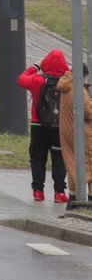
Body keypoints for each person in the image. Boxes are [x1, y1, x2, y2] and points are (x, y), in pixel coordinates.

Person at [17, 49, 69, 202]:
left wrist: (36, 66)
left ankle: (38, 191)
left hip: (38, 124)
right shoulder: (67, 83)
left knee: (38, 157)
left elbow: (21, 79)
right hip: (60, 126)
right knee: (59, 158)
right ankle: (59, 192)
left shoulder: (38, 81)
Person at [57, 64, 92, 201]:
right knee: (89, 163)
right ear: (84, 75)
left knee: (73, 163)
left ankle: (73, 196)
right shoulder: (78, 89)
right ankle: (90, 199)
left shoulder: (65, 86)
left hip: (67, 132)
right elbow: (87, 112)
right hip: (83, 133)